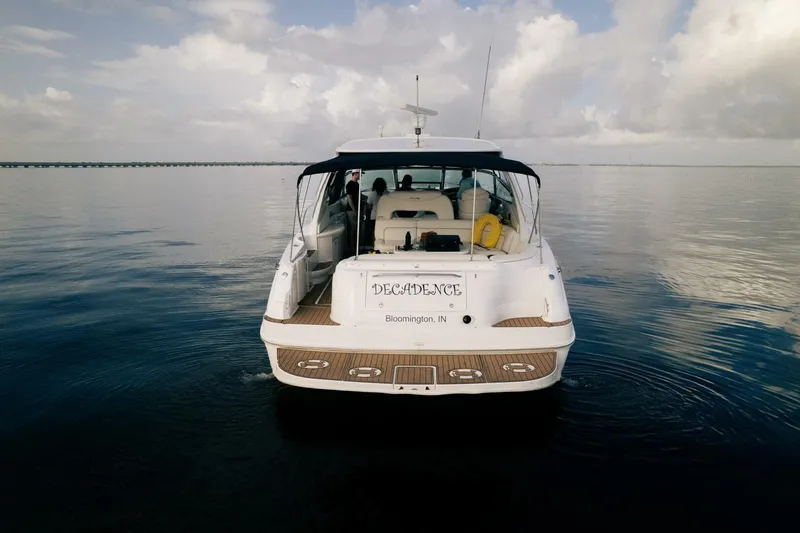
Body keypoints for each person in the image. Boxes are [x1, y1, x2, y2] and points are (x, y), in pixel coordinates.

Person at [366, 177, 387, 246]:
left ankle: (374, 246)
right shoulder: (387, 194)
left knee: (374, 232)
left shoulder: (372, 194)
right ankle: (383, 246)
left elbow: (368, 207)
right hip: (385, 216)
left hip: (374, 216)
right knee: (383, 232)